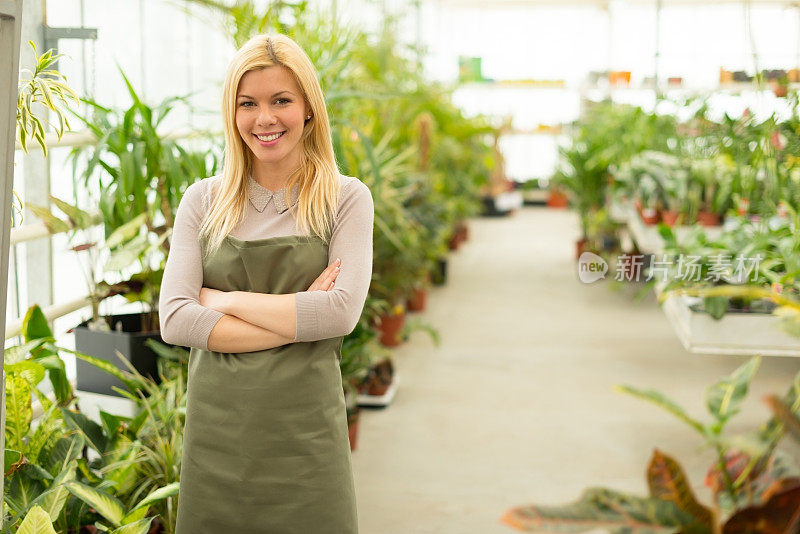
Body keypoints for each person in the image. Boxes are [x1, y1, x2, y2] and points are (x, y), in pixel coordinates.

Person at [159, 33, 373, 534]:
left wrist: (226, 300)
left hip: (306, 437)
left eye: (282, 100)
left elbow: (340, 314)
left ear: (309, 110)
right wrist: (300, 318)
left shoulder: (345, 199)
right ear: (232, 115)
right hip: (220, 436)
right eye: (248, 104)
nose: (265, 118)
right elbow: (174, 319)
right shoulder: (202, 201)